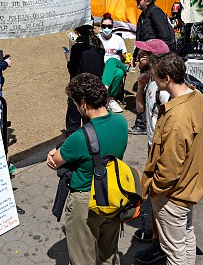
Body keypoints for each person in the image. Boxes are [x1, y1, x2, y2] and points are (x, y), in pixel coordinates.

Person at [46, 73, 128, 265]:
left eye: (75, 103)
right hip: (113, 193)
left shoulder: (79, 138)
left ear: (83, 103)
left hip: (85, 199)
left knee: (83, 257)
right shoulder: (121, 122)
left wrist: (53, 153)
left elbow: (55, 161)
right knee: (108, 253)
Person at [142, 52, 203, 265]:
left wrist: (155, 189)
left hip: (173, 194)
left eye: (155, 76)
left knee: (174, 251)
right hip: (191, 184)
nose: (153, 79)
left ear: (168, 79)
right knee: (186, 236)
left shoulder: (176, 119)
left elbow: (169, 168)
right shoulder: (198, 97)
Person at [130, 39, 171, 263]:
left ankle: (161, 246)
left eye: (143, 55)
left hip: (160, 149)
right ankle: (156, 237)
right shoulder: (149, 82)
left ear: (154, 60)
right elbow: (140, 109)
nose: (138, 57)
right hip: (150, 145)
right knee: (154, 197)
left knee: (159, 197)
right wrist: (141, 87)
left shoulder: (163, 90)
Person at [130, 0, 176, 135]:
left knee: (150, 89)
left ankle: (143, 124)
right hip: (146, 58)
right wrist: (136, 54)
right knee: (144, 86)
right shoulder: (143, 15)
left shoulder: (155, 13)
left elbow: (165, 38)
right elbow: (141, 37)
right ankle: (142, 122)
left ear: (148, 0)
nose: (137, 0)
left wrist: (157, 59)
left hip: (155, 59)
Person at [65, 24, 105, 135]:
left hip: (79, 89)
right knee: (91, 124)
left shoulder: (78, 48)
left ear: (77, 31)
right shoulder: (99, 45)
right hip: (95, 88)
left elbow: (73, 70)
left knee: (73, 123)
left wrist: (68, 59)